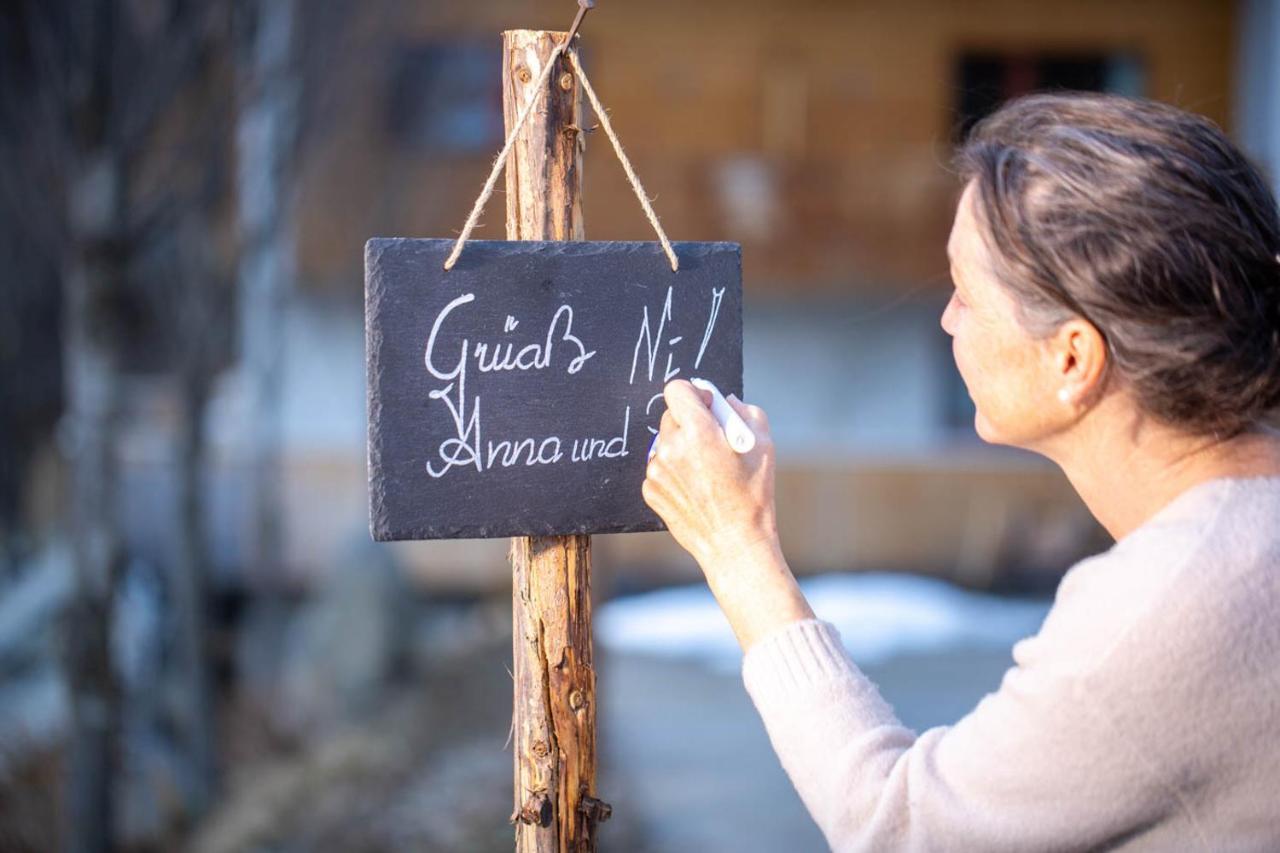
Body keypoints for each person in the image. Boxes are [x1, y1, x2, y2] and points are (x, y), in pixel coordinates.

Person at [640, 92, 1280, 851]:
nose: (945, 318)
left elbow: (901, 828)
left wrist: (736, 544)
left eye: (966, 294)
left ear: (1072, 358)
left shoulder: (1171, 602)